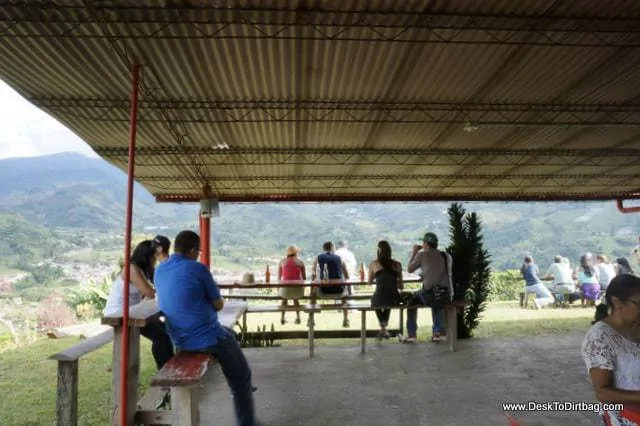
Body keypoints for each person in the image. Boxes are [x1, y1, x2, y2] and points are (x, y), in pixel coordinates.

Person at [154, 230, 256, 426]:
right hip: (206, 337)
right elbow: (219, 304)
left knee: (230, 333)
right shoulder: (198, 269)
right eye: (198, 251)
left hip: (179, 337)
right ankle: (247, 421)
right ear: (192, 250)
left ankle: (229, 360)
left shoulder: (160, 270)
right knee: (242, 376)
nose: (199, 255)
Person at [103, 240, 174, 370]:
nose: (156, 260)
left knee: (166, 330)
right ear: (147, 256)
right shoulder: (131, 268)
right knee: (161, 337)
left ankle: (170, 367)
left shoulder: (140, 270)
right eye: (154, 257)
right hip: (119, 312)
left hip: (133, 310)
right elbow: (150, 292)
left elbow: (148, 293)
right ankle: (165, 370)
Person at [581, 274, 640, 425]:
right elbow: (602, 392)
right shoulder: (599, 338)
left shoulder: (636, 326)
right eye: (638, 303)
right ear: (617, 302)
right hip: (626, 416)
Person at [400, 232, 453, 343]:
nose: (422, 245)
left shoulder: (422, 254)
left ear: (427, 244)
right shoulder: (446, 256)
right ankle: (437, 333)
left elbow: (410, 269)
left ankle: (412, 335)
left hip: (429, 296)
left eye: (423, 243)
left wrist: (415, 252)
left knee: (412, 300)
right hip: (446, 295)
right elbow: (439, 273)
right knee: (437, 299)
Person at [368, 241, 403, 340]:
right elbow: (401, 286)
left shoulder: (374, 264)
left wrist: (379, 277)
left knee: (376, 301)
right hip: (394, 299)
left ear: (378, 251)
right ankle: (384, 329)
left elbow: (369, 282)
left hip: (379, 299)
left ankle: (383, 329)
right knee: (388, 298)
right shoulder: (397, 264)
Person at [311, 241, 350, 327]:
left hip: (322, 292)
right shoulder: (340, 258)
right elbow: (347, 276)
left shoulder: (317, 258)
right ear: (332, 248)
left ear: (324, 248)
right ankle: (346, 319)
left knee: (312, 292)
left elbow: (313, 274)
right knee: (345, 293)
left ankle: (311, 319)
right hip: (339, 292)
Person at [277, 245, 306, 325]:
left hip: (285, 291)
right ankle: (298, 317)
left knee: (284, 299)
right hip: (298, 291)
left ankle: (282, 318)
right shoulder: (300, 262)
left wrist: (278, 290)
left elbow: (279, 279)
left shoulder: (282, 262)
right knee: (296, 300)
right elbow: (304, 279)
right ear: (296, 253)